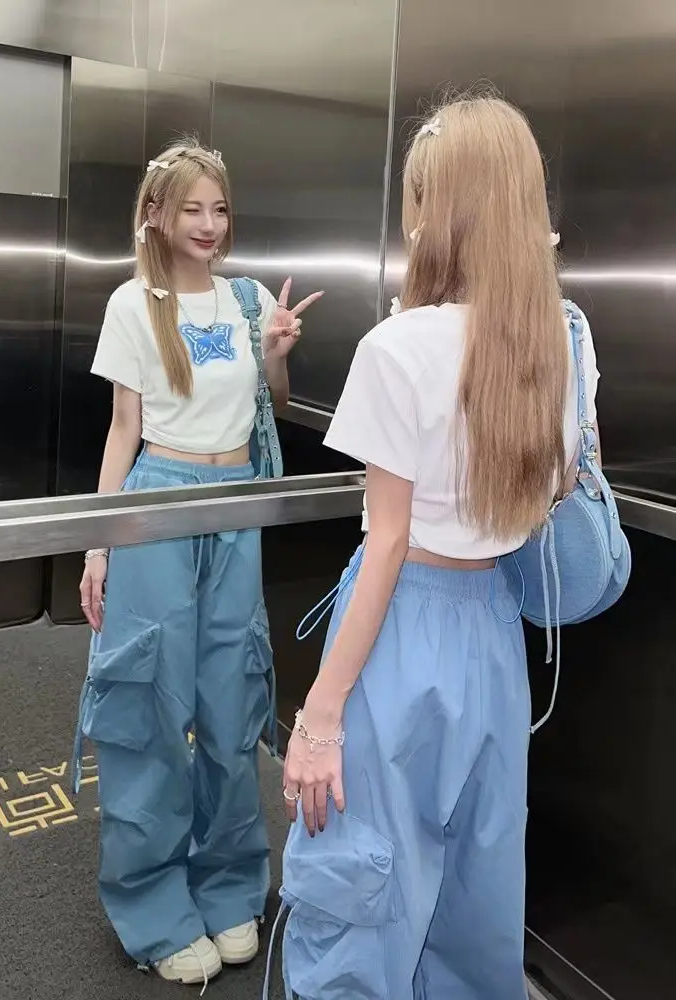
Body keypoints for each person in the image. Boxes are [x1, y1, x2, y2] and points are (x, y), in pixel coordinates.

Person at [275, 95, 601, 999]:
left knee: (362, 890)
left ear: (433, 206)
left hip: (399, 628)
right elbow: (558, 490)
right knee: (475, 892)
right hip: (494, 636)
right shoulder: (563, 343)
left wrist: (318, 718)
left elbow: (386, 545)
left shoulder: (397, 347)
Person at [69, 138, 322, 990]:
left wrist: (276, 353)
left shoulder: (245, 300)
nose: (210, 225)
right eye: (192, 209)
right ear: (157, 215)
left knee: (231, 702)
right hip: (159, 506)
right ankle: (151, 905)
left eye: (219, 209)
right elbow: (123, 431)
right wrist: (99, 542)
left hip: (235, 510)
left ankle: (227, 885)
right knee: (147, 706)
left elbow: (269, 408)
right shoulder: (132, 305)